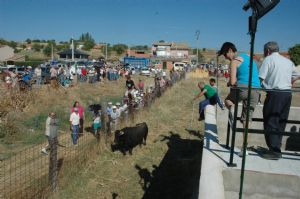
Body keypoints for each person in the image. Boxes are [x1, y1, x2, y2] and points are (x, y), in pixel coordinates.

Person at [218, 42, 261, 156]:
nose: (226, 57)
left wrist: (229, 84)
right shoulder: (248, 57)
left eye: (225, 54)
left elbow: (232, 82)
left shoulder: (234, 60)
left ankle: (232, 113)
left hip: (243, 88)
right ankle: (244, 149)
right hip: (256, 90)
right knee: (247, 120)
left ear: (230, 50)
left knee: (227, 101)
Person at [259, 41, 300, 160]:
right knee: (281, 121)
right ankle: (277, 147)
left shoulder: (268, 59)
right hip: (287, 94)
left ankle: (274, 151)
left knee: (271, 120)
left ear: (267, 51)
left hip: (275, 93)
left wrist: (264, 85)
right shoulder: (287, 61)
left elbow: (261, 77)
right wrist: (289, 82)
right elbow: (296, 74)